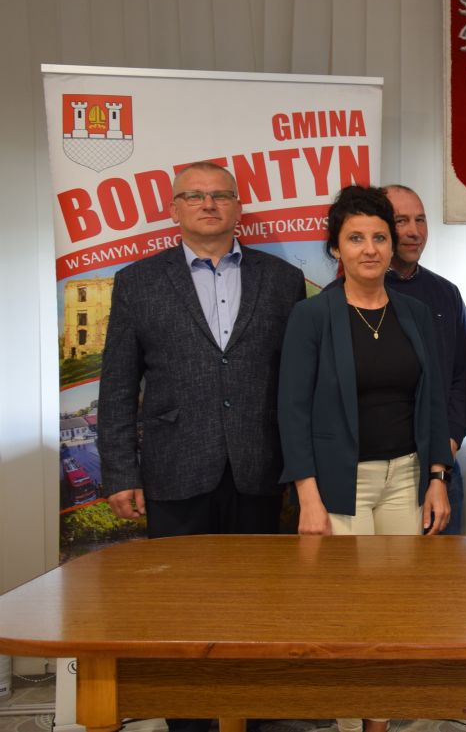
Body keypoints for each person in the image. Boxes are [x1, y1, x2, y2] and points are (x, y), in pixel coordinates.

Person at [97, 161, 306, 732]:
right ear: (174, 209)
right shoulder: (137, 282)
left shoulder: (282, 279)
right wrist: (120, 472)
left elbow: (298, 382)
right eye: (194, 196)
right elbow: (117, 386)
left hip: (259, 469)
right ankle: (189, 720)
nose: (208, 205)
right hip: (174, 469)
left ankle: (255, 716)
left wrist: (301, 468)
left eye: (220, 196)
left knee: (258, 604)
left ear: (239, 208)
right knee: (178, 608)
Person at [278, 185, 454, 732]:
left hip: (406, 478)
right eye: (356, 238)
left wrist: (437, 477)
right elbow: (292, 411)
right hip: (339, 484)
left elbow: (433, 399)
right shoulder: (312, 316)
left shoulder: (415, 313)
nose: (371, 249)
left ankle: (377, 722)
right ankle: (348, 720)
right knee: (345, 610)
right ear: (336, 248)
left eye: (380, 236)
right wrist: (308, 498)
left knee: (394, 609)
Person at [383, 184, 466, 535]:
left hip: (440, 467)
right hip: (374, 472)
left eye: (420, 220)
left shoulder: (446, 294)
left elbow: (463, 376)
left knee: (442, 567)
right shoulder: (344, 298)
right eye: (401, 220)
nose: (414, 231)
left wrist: (447, 446)